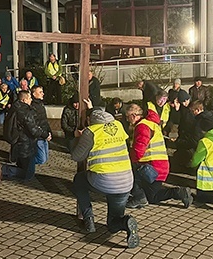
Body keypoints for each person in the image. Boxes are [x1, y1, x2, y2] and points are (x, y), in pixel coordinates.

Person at [70, 108, 139, 248]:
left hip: (104, 180)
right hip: (125, 181)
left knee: (79, 180)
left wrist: (77, 137)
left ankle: (88, 218)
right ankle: (125, 222)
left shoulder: (91, 132)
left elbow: (76, 156)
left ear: (90, 120)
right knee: (113, 223)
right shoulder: (118, 126)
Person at [125, 103, 192, 209]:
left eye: (127, 117)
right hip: (159, 165)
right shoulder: (151, 124)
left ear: (133, 115)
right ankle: (178, 192)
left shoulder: (142, 126)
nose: (127, 120)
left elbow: (139, 151)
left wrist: (128, 159)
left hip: (151, 166)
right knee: (152, 195)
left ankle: (178, 192)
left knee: (131, 172)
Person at [0, 90, 50, 182]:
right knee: (28, 174)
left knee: (22, 167)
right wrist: (45, 134)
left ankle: (1, 173)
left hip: (18, 143)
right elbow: (33, 129)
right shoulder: (26, 112)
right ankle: (2, 169)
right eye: (29, 98)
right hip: (26, 145)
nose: (31, 100)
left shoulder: (15, 108)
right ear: (24, 100)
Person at [31, 85, 51, 165]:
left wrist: (49, 131)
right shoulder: (33, 106)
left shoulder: (41, 104)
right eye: (40, 92)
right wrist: (44, 134)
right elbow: (35, 123)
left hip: (44, 134)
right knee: (41, 159)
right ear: (34, 94)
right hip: (39, 136)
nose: (42, 94)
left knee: (45, 158)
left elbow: (44, 120)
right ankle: (25, 161)